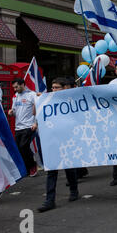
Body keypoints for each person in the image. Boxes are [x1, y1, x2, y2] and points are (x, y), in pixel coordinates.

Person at [37, 78, 79, 212]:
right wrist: (38, 101)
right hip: (52, 140)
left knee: (69, 168)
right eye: (52, 87)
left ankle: (74, 190)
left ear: (65, 88)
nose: (53, 90)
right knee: (51, 170)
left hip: (66, 140)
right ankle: (50, 200)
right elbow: (35, 113)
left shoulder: (71, 101)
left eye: (56, 87)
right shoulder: (47, 101)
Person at [8, 78, 38, 177]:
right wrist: (11, 112)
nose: (15, 89)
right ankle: (26, 168)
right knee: (19, 149)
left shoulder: (31, 95)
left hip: (29, 126)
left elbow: (38, 108)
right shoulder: (15, 96)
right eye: (14, 87)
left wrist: (35, 123)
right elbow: (14, 110)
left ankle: (33, 166)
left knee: (24, 146)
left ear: (22, 85)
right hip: (18, 127)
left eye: (16, 87)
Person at [64, 76, 89, 180]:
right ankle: (81, 171)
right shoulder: (64, 97)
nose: (65, 89)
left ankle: (78, 173)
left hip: (79, 127)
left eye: (67, 87)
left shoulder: (79, 96)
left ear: (73, 86)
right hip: (69, 128)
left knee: (77, 150)